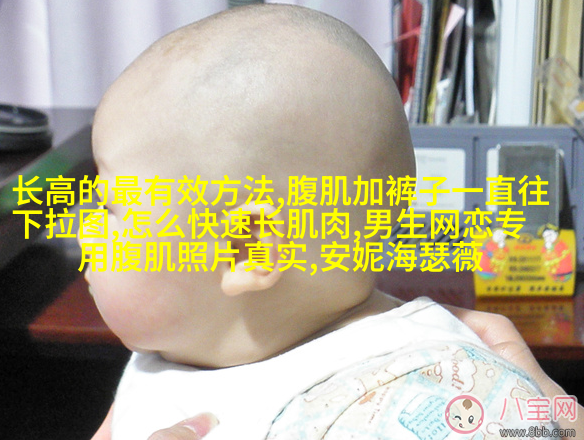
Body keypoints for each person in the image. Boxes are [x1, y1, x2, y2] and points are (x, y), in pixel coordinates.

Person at [81, 4, 575, 439]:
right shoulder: (188, 345)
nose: (82, 222)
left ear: (245, 248)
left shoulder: (435, 403)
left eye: (109, 206)